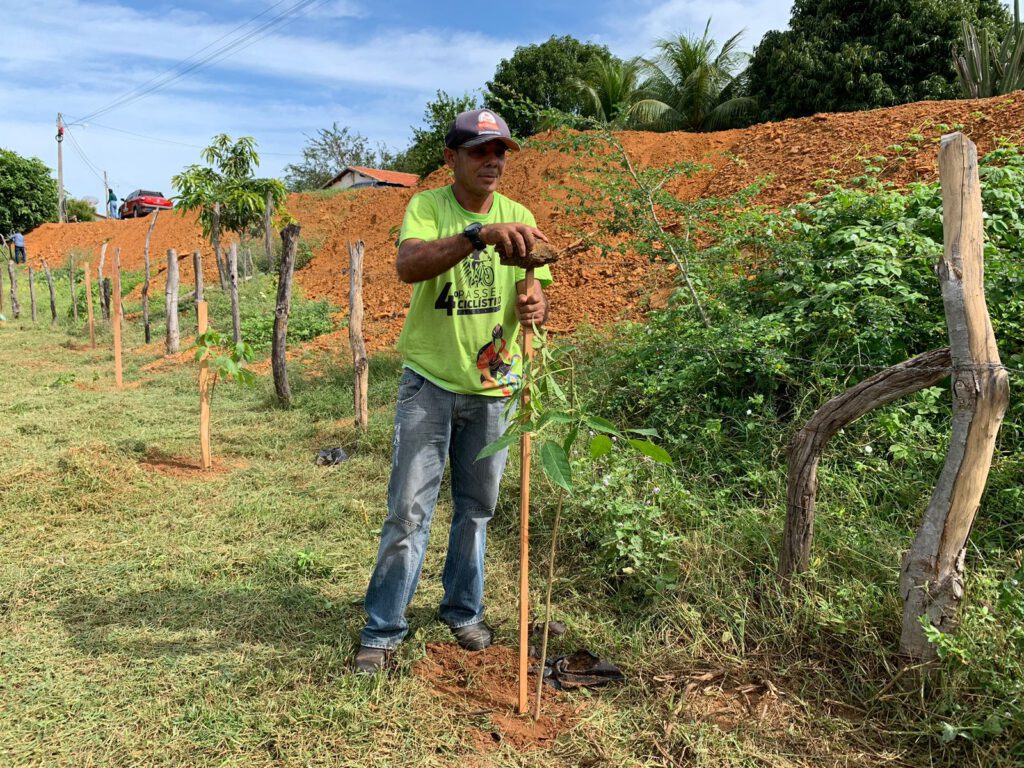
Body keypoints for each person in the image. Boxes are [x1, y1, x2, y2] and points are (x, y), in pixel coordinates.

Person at [354, 109, 553, 673]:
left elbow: (534, 286)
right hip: (432, 384)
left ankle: (463, 611)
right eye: (479, 152)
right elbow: (409, 266)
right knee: (408, 511)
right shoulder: (428, 207)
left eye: (501, 152)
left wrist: (536, 302)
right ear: (453, 159)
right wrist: (476, 236)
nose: (493, 162)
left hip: (496, 385)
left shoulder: (521, 216)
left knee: (478, 508)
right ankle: (384, 628)